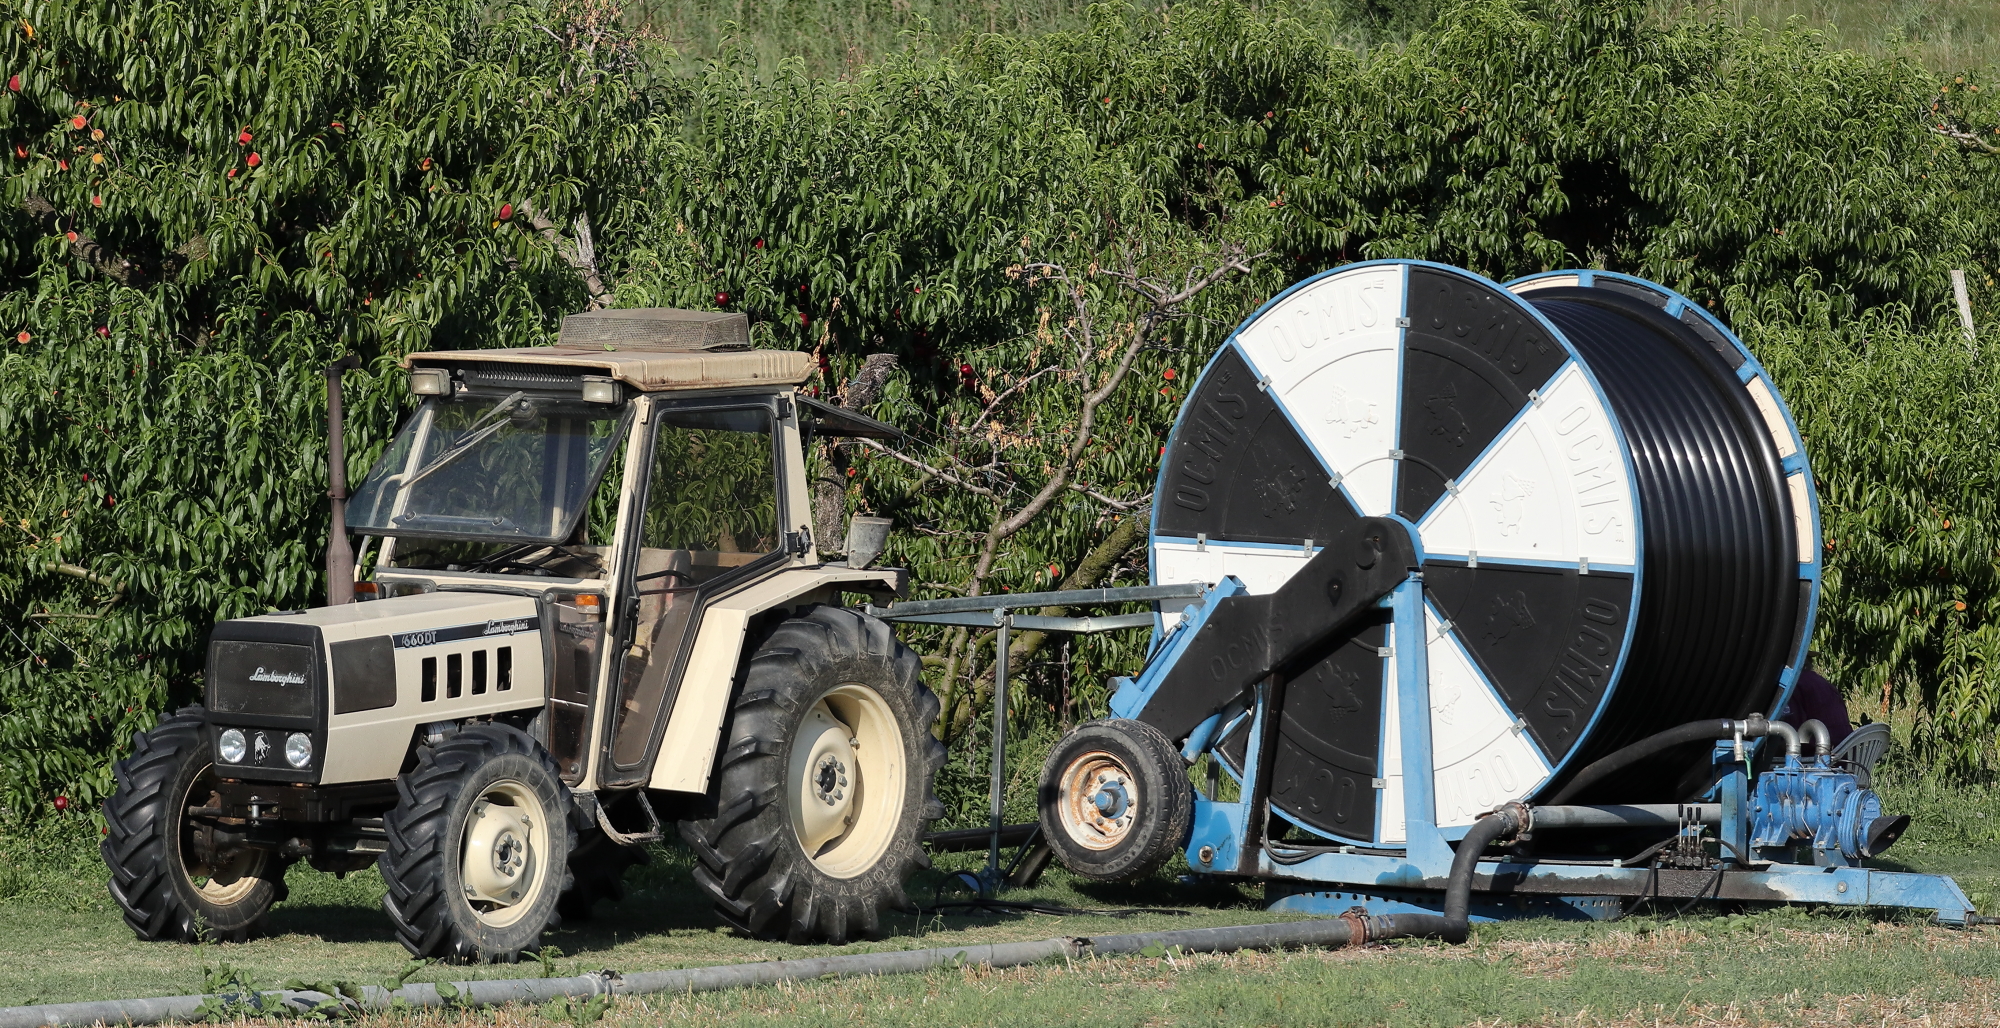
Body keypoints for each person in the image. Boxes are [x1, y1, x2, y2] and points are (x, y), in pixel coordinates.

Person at [1777, 655, 1853, 748]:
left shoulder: (1795, 685)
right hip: (1845, 747)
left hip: (1823, 749)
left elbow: (1792, 731)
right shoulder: (1819, 681)